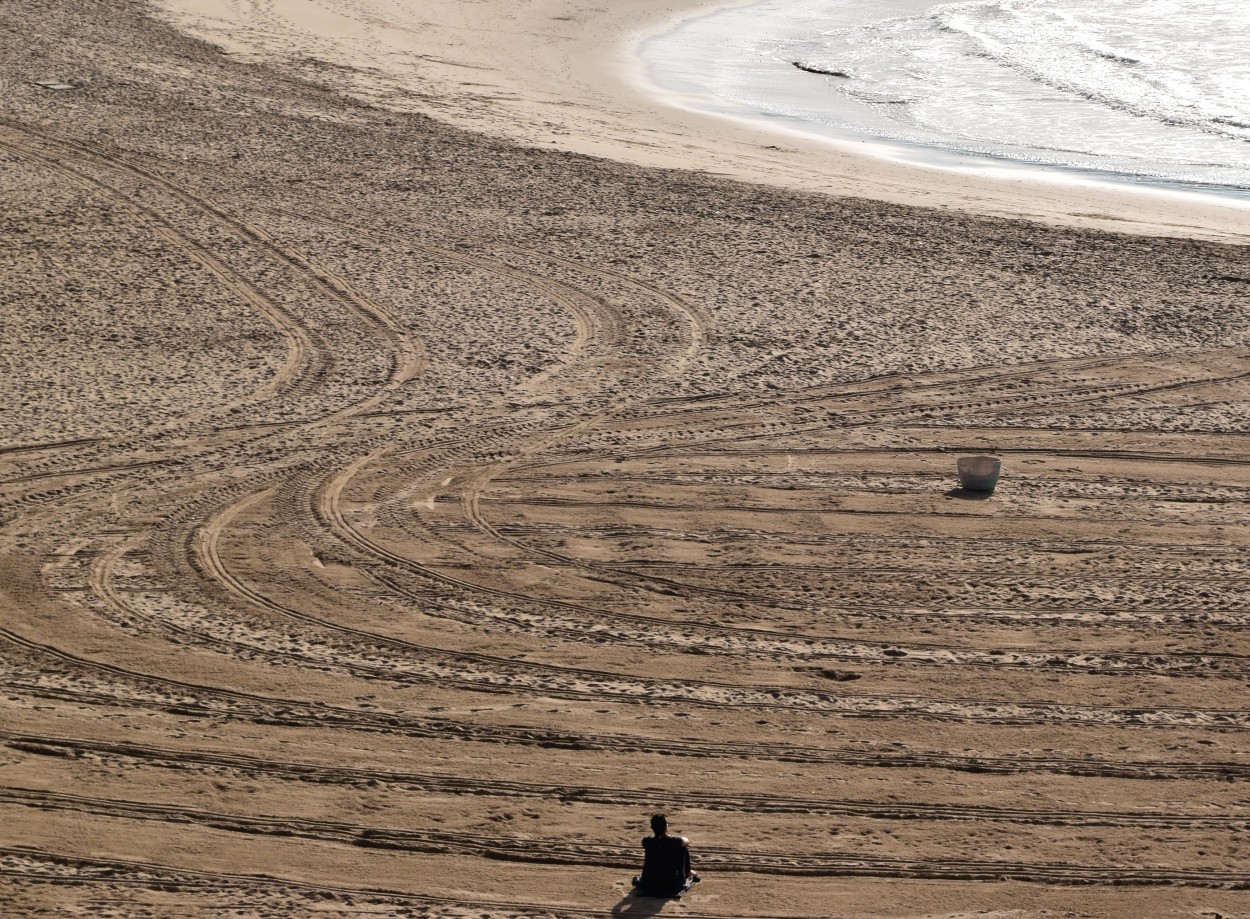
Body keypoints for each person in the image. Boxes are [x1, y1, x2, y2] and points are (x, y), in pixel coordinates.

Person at [632, 813, 698, 897]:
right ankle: (687, 872)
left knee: (655, 850)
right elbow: (687, 841)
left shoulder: (646, 841)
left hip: (650, 882)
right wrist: (669, 838)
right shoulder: (674, 841)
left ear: (652, 828)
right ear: (666, 827)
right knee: (683, 848)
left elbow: (655, 842)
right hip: (672, 884)